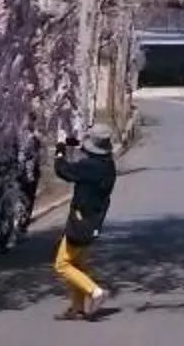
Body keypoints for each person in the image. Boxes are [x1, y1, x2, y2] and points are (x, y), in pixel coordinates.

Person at [52, 126, 117, 320]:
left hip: (81, 220)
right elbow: (87, 156)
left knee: (62, 264)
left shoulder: (91, 167)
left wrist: (59, 152)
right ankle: (77, 307)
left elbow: (63, 170)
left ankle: (95, 291)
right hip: (94, 220)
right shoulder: (107, 165)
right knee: (77, 264)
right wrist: (73, 143)